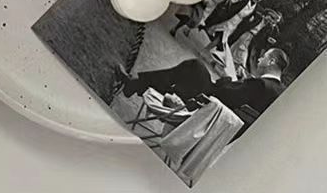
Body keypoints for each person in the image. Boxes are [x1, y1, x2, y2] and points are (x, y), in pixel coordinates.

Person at [120, 47, 288, 118]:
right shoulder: (278, 92)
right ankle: (136, 85)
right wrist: (239, 82)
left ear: (271, 61)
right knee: (187, 76)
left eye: (263, 57)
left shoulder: (260, 84)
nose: (259, 59)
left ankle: (136, 84)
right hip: (217, 116)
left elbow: (226, 95)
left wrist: (227, 78)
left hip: (207, 106)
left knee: (194, 67)